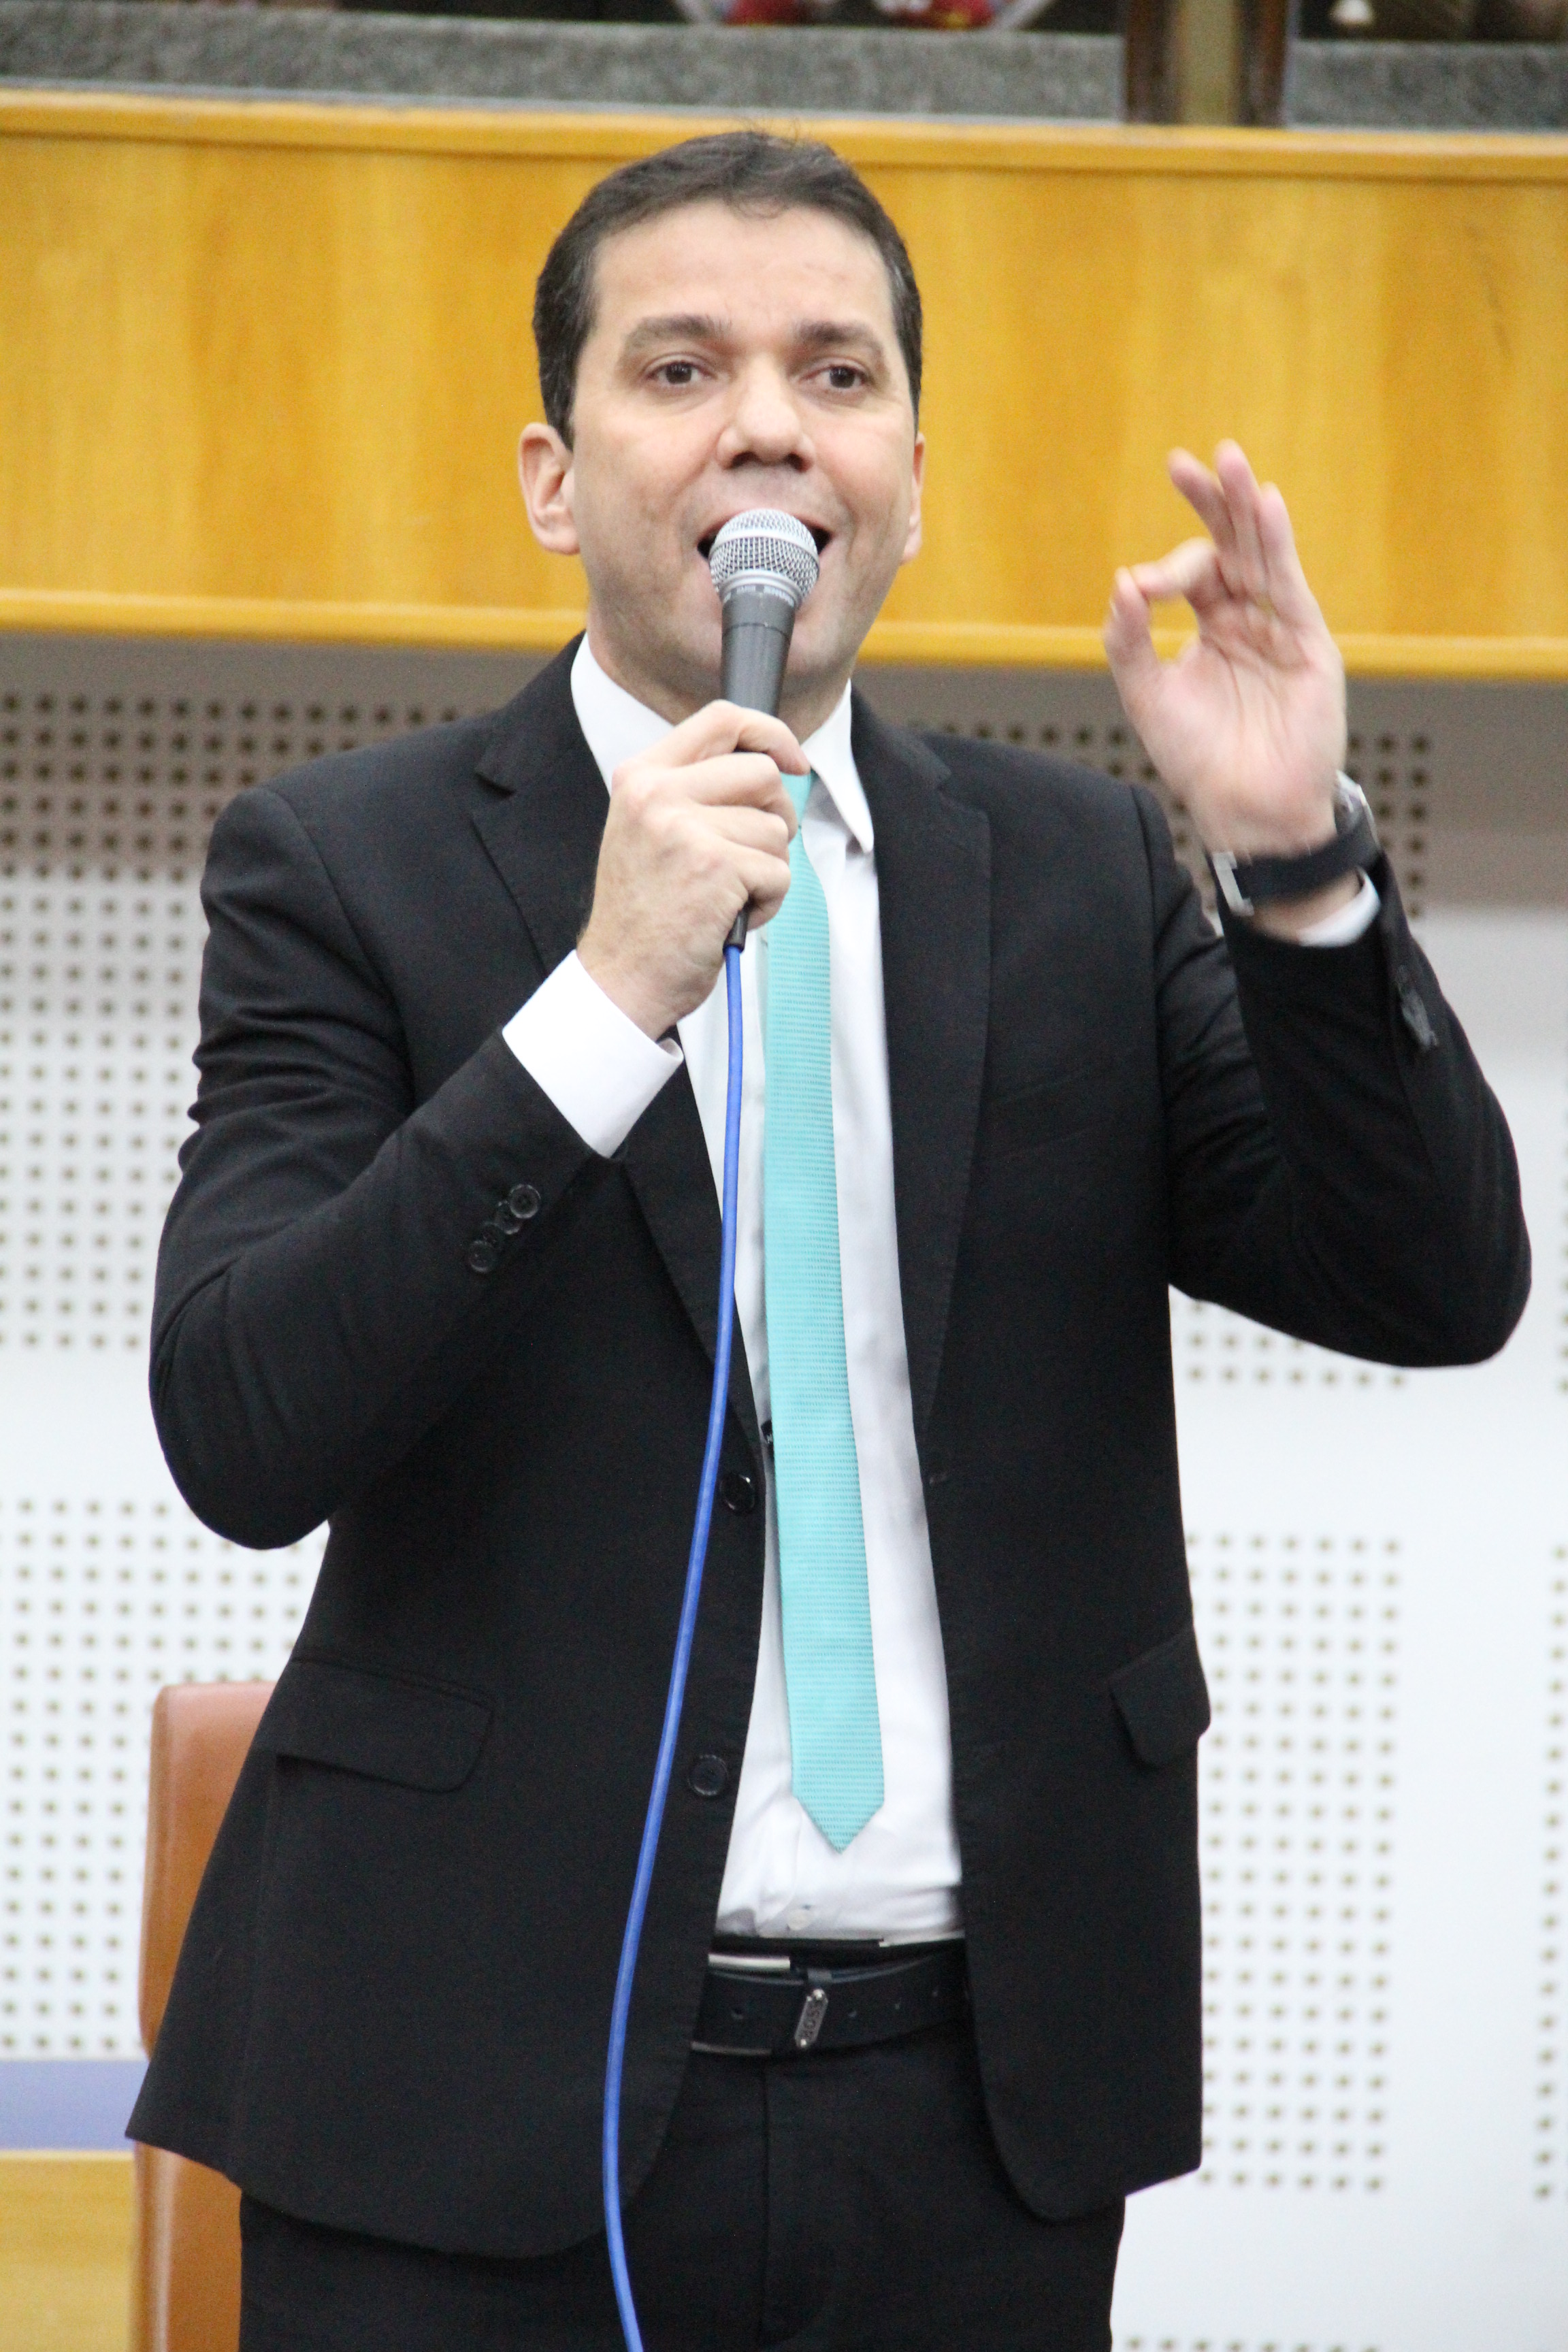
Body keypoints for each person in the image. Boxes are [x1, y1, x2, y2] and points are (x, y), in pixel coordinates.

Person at [130, 131, 1529, 2351]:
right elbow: (244, 1423)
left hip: (971, 2110)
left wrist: (1293, 866)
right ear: (554, 480)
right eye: (682, 369)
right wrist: (605, 998)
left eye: (838, 375)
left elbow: (1434, 1285)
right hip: (467, 2098)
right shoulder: (341, 862)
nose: (771, 427)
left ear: (909, 480)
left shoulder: (1073, 877)